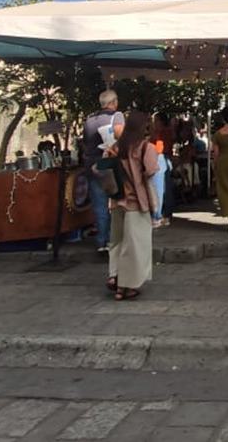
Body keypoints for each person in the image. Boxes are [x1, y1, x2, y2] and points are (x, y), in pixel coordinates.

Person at [106, 110, 158, 301]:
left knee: (117, 242)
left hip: (116, 200)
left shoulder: (115, 147)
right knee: (135, 245)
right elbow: (151, 171)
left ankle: (115, 276)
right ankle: (126, 286)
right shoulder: (146, 148)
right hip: (136, 202)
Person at [83, 91, 126, 252]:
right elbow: (121, 138)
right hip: (111, 165)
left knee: (99, 205)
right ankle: (115, 239)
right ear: (113, 102)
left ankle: (102, 241)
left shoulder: (90, 120)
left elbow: (86, 142)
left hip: (93, 166)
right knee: (117, 202)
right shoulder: (118, 116)